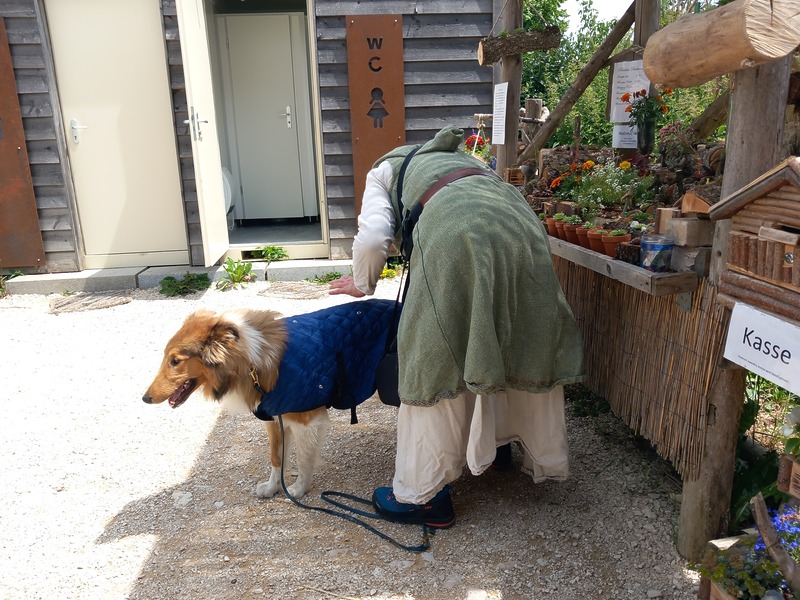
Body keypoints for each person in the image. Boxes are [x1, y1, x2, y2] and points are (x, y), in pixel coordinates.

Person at [329, 126, 584, 528]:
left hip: (455, 232)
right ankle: (500, 444)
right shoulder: (466, 161)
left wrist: (362, 283)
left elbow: (375, 236)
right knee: (515, 332)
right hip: (522, 229)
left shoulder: (382, 171)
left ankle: (422, 497)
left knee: (434, 353)